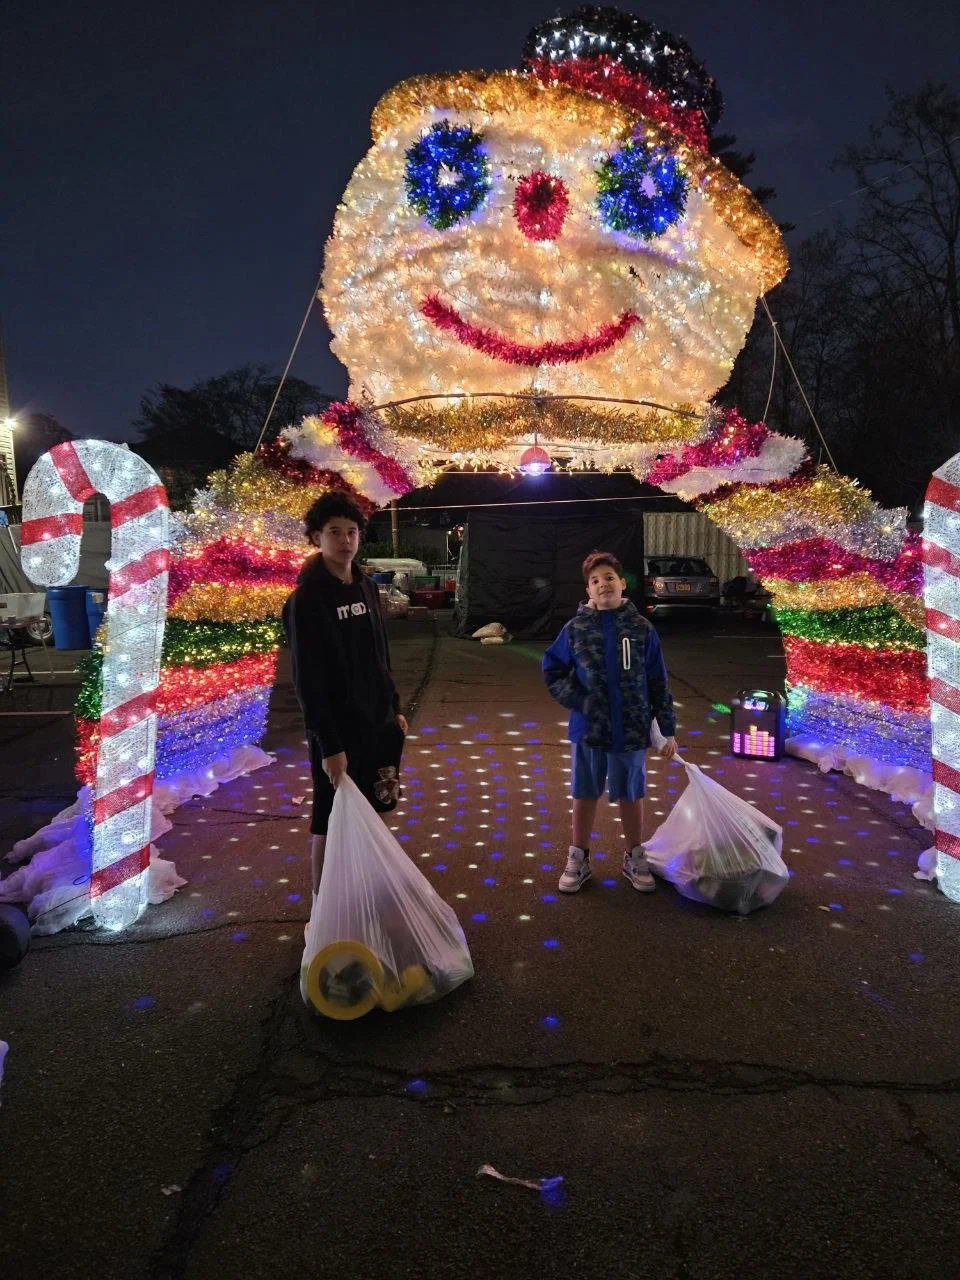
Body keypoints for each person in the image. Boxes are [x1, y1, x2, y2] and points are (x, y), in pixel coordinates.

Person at [282, 492, 408, 896]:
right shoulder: (306, 600)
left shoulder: (368, 588)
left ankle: (371, 891)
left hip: (381, 724)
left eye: (352, 532)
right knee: (329, 817)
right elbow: (308, 679)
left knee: (382, 802)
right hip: (338, 733)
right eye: (334, 532)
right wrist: (329, 745)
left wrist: (395, 707)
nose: (344, 540)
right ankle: (323, 909)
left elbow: (380, 654)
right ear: (317, 537)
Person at [542, 550, 679, 894]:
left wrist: (667, 729)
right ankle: (579, 857)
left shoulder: (641, 629)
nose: (603, 584)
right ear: (588, 590)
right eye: (594, 580)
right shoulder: (575, 629)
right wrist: (580, 700)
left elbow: (658, 680)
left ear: (622, 583)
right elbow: (553, 669)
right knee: (585, 793)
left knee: (632, 793)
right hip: (590, 729)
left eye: (609, 578)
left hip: (632, 729)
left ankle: (634, 856)